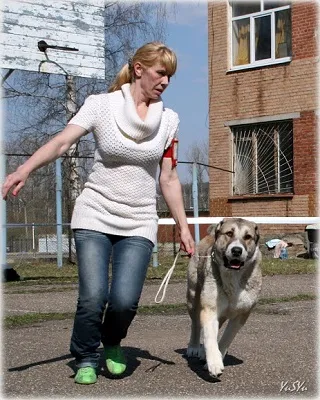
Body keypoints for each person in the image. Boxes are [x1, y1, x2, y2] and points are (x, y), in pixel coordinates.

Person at [2, 41, 195, 384]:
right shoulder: (100, 105)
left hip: (139, 220)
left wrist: (183, 226)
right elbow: (62, 142)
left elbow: (168, 176)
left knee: (124, 302)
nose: (166, 81)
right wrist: (25, 169)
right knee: (93, 297)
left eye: (170, 76)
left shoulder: (169, 121)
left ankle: (112, 341)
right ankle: (86, 355)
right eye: (160, 73)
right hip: (94, 214)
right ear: (139, 69)